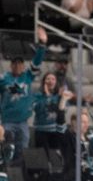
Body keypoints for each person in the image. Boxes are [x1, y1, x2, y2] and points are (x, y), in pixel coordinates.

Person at [0, 27, 47, 159]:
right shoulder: (4, 78)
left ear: (23, 65)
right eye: (14, 63)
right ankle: (7, 172)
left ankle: (20, 174)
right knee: (7, 148)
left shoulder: (27, 76)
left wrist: (42, 46)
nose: (17, 66)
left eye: (20, 63)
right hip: (7, 121)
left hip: (23, 122)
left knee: (23, 149)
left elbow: (36, 62)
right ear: (10, 65)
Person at [32, 73, 71, 152]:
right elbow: (37, 109)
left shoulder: (60, 96)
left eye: (53, 79)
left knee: (56, 159)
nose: (50, 81)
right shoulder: (37, 96)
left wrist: (56, 98)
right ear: (44, 82)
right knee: (42, 159)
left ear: (56, 82)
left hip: (56, 132)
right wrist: (47, 96)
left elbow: (63, 110)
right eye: (48, 79)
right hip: (41, 131)